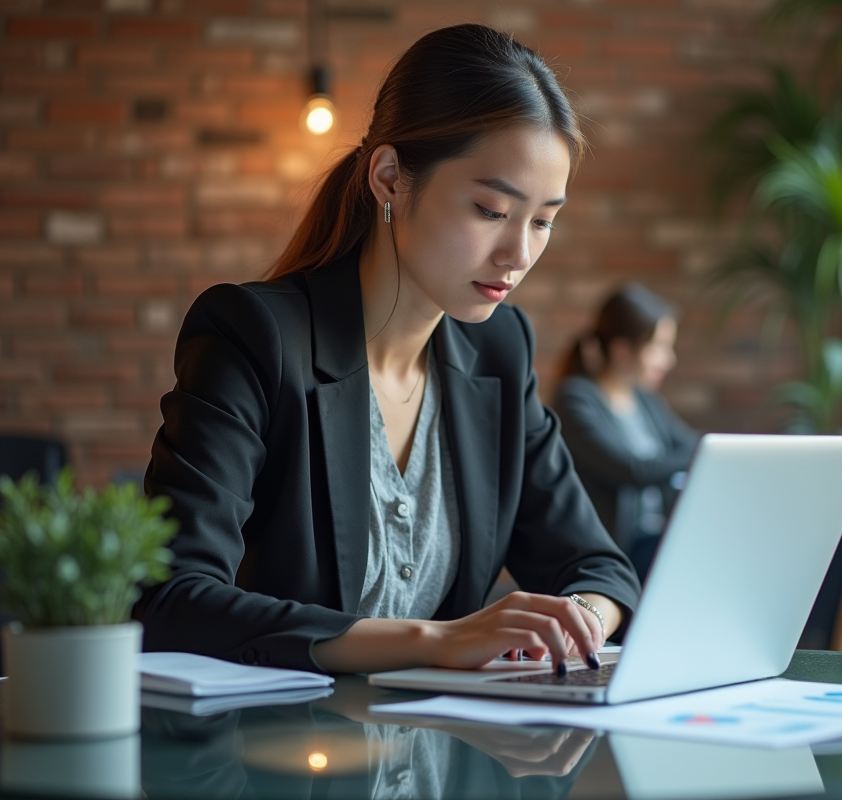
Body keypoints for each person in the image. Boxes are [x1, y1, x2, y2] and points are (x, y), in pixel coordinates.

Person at [132, 24, 640, 678]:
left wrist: (577, 619)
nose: (519, 254)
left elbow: (599, 568)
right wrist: (432, 641)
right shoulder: (254, 336)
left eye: (542, 220)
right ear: (390, 177)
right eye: (491, 210)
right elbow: (171, 600)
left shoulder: (499, 351)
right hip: (282, 737)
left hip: (446, 735)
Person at [553, 285, 699, 581]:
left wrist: (704, 450)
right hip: (616, 549)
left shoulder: (644, 399)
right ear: (622, 349)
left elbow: (689, 443)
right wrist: (703, 452)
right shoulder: (576, 399)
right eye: (658, 347)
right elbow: (631, 469)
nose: (668, 360)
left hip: (656, 536)